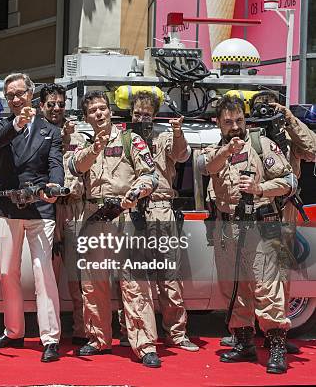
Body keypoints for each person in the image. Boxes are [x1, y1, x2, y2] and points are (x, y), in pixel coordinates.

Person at [197, 95, 296, 374]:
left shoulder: (261, 145)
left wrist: (259, 187)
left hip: (261, 225)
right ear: (218, 123)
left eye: (239, 120)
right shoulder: (215, 151)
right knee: (235, 290)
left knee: (268, 288)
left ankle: (276, 347)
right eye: (228, 122)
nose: (235, 126)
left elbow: (290, 182)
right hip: (228, 229)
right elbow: (206, 167)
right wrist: (227, 150)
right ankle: (244, 343)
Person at [68, 91, 160, 367]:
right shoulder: (83, 144)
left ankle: (145, 345)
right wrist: (95, 147)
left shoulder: (131, 139)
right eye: (93, 110)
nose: (98, 113)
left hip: (125, 215)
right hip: (93, 217)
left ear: (110, 112)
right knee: (92, 284)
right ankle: (97, 339)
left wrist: (135, 192)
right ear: (86, 117)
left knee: (134, 284)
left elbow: (150, 175)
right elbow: (74, 167)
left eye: (102, 108)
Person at [219, 94, 315, 354]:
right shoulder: (233, 142)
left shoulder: (281, 137)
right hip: (244, 220)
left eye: (269, 106)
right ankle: (246, 335)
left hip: (280, 213)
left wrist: (288, 118)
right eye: (259, 107)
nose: (264, 112)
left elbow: (312, 149)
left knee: (274, 282)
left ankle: (275, 338)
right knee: (241, 283)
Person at [0, 73, 64, 363]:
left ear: (32, 94)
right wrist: (17, 124)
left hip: (40, 208)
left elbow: (55, 164)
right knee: (7, 272)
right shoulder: (1, 125)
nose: (16, 99)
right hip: (6, 207)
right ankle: (14, 331)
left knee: (43, 274)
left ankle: (50, 338)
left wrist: (55, 186)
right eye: (11, 95)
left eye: (20, 93)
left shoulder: (51, 131)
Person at [124, 91, 199, 352]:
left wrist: (178, 132)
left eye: (147, 114)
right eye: (137, 113)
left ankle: (177, 334)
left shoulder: (165, 136)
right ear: (130, 113)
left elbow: (182, 156)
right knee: (134, 278)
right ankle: (131, 331)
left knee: (169, 275)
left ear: (154, 116)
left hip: (160, 208)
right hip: (131, 210)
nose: (141, 118)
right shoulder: (123, 137)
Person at [39, 83, 87, 345]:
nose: (57, 108)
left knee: (79, 276)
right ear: (42, 106)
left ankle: (83, 329)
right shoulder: (35, 134)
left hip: (74, 209)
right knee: (47, 275)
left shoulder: (79, 137)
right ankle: (50, 334)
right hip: (46, 210)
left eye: (61, 103)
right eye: (51, 104)